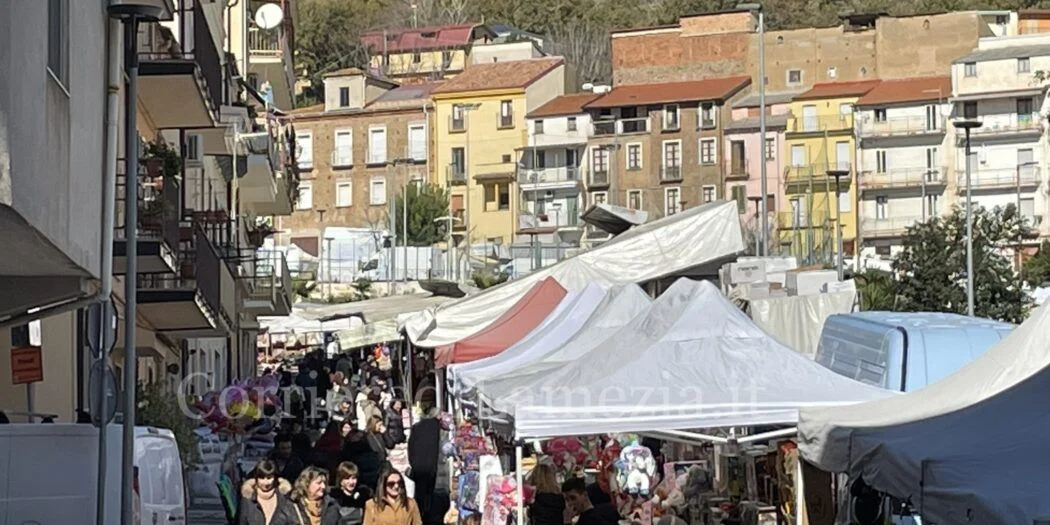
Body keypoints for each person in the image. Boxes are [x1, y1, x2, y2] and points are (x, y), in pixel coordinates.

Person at [407, 398, 449, 525]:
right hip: (434, 468)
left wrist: (413, 463)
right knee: (434, 498)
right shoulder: (441, 430)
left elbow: (411, 448)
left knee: (421, 495)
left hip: (419, 468)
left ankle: (421, 517)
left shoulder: (416, 427)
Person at [237, 459, 295, 525]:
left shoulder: (284, 497)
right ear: (256, 478)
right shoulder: (247, 498)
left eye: (269, 478)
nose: (266, 482)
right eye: (261, 478)